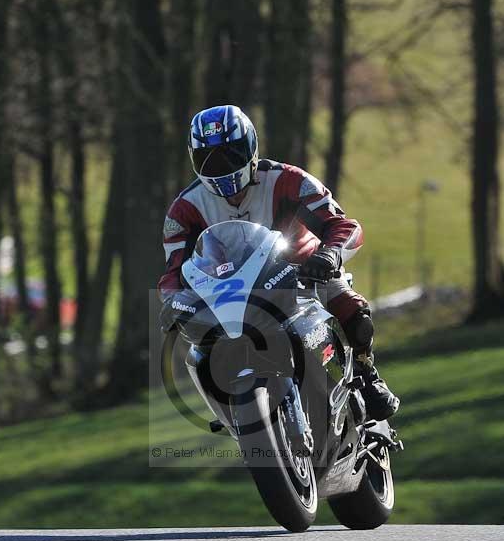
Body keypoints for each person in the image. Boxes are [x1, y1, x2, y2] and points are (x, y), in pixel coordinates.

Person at [158, 104, 399, 421]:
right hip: (231, 296)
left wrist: (329, 254)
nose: (222, 167)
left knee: (352, 310)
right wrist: (172, 301)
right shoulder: (184, 210)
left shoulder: (289, 180)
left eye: (231, 154)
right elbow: (174, 272)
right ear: (194, 159)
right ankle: (235, 418)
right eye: (209, 160)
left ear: (251, 147)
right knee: (201, 352)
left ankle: (367, 375)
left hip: (303, 274)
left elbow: (344, 226)